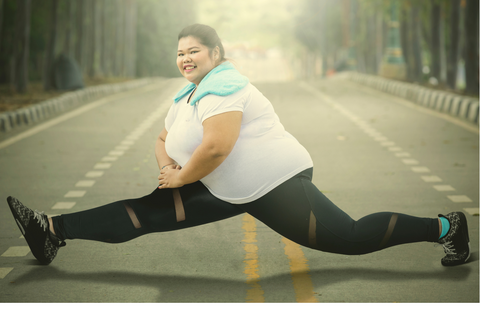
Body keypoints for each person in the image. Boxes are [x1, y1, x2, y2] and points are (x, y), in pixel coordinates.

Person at [7, 24, 470, 268]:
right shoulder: (186, 95)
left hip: (272, 181)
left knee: (347, 239)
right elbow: (163, 137)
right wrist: (168, 166)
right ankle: (50, 230)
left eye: (195, 50)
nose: (186, 57)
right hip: (222, 186)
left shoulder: (225, 86)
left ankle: (447, 227)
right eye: (180, 51)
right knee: (144, 213)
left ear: (216, 54)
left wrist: (182, 175)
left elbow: (216, 148)